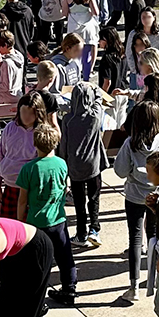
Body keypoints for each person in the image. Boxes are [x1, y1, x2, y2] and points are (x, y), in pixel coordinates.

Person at [115, 102, 159, 302]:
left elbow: (119, 170)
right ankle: (153, 280)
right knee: (154, 237)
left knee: (135, 238)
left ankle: (134, 286)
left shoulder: (131, 142)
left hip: (134, 196)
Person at [16, 121, 77, 307]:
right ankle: (69, 288)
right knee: (65, 256)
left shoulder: (29, 169)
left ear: (35, 144)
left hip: (36, 222)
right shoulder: (62, 164)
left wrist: (20, 222)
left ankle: (38, 297)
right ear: (56, 142)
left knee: (38, 262)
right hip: (58, 219)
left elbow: (22, 200)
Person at [61, 81, 106, 249]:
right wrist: (93, 87)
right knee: (94, 198)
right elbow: (99, 98)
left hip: (74, 166)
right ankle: (95, 229)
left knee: (79, 203)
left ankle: (81, 234)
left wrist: (64, 165)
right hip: (93, 165)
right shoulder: (95, 116)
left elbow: (63, 144)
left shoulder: (67, 119)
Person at [0, 92, 46, 218]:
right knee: (9, 228)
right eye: (23, 112)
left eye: (31, 113)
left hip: (31, 188)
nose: (26, 117)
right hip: (10, 185)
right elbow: (1, 156)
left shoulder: (41, 132)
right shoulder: (10, 128)